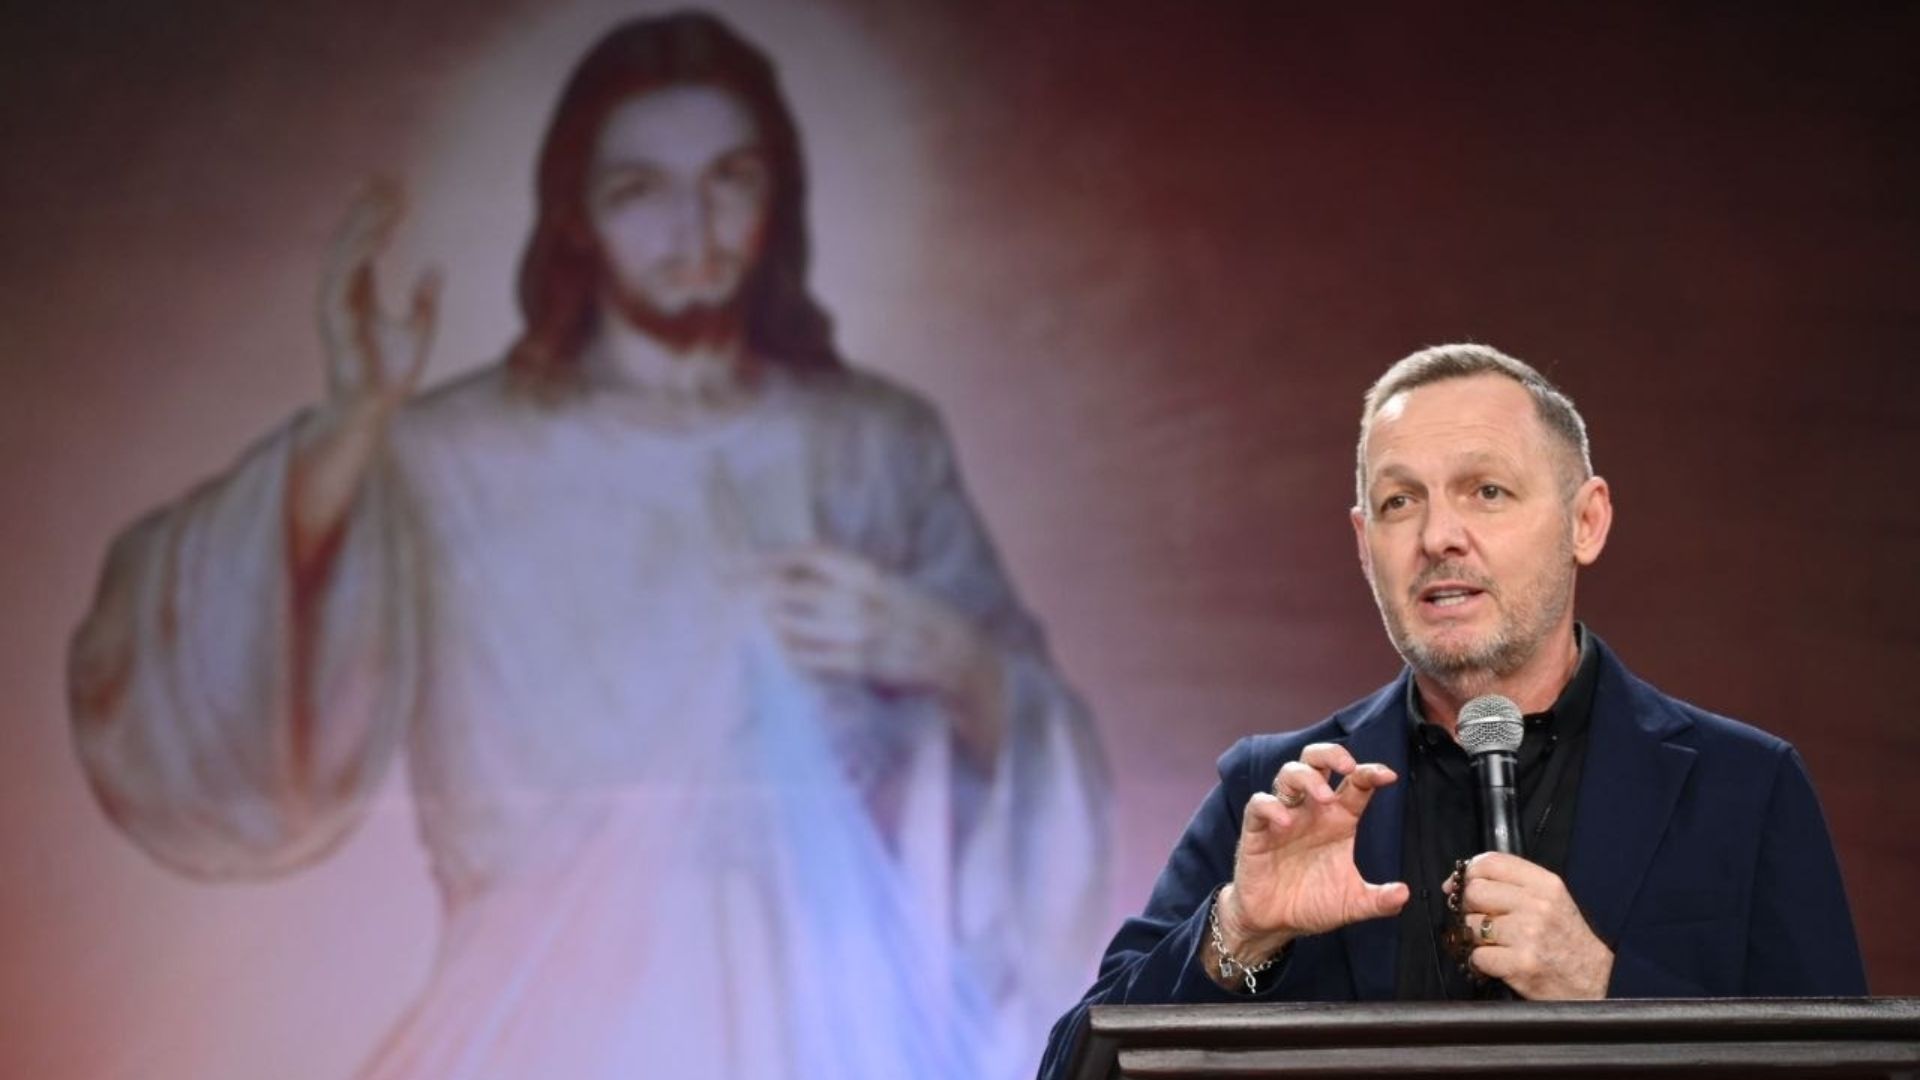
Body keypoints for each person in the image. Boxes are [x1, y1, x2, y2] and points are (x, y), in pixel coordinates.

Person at [67, 13, 1108, 1080]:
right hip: (538, 1028)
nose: (691, 225)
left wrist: (943, 653)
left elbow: (1037, 753)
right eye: (639, 189)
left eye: (730, 179)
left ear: (776, 197)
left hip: (841, 1027)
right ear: (575, 219)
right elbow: (188, 717)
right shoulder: (453, 455)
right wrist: (348, 432)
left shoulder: (874, 445)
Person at [1039, 342, 1864, 1077]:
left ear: (1587, 521)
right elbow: (1076, 1065)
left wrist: (1605, 989)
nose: (1439, 535)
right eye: (1400, 503)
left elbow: (1842, 1073)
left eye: (1487, 491)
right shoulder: (1275, 792)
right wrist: (1240, 931)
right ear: (1365, 546)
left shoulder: (1744, 788)